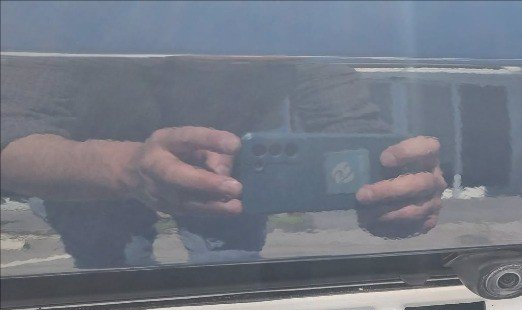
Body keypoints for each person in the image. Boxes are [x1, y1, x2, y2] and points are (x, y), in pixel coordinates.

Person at [0, 56, 444, 268]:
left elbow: (349, 124)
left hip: (235, 179)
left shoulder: (293, 15)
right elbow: (11, 139)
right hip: (92, 181)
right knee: (113, 283)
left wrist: (395, 181)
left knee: (231, 279)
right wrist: (128, 167)